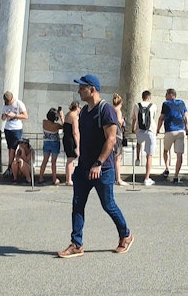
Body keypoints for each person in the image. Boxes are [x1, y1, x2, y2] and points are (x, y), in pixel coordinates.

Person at [58, 74, 133, 258]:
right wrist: (80, 159)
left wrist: (98, 163)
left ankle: (126, 235)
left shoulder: (106, 110)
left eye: (82, 88)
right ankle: (76, 244)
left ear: (92, 89)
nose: (79, 91)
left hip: (102, 169)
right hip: (84, 168)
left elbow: (112, 139)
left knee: (108, 205)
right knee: (77, 204)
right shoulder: (83, 112)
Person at [157, 88, 188, 183]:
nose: (165, 96)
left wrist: (158, 129)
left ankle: (167, 168)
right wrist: (187, 128)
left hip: (170, 130)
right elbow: (185, 116)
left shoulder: (166, 104)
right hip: (181, 130)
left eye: (166, 94)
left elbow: (161, 118)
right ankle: (176, 176)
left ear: (170, 94)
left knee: (166, 150)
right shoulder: (182, 103)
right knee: (179, 154)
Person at [131, 91, 155, 186]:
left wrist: (133, 128)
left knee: (139, 142)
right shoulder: (153, 105)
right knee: (149, 155)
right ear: (149, 97)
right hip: (150, 131)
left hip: (139, 131)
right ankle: (146, 178)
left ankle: (137, 158)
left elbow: (134, 118)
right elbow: (152, 117)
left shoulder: (137, 105)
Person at [1, 91, 28, 173]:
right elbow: (2, 118)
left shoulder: (19, 103)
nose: (8, 103)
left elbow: (26, 116)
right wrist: (5, 116)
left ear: (12, 98)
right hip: (7, 128)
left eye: (9, 101)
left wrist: (14, 115)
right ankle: (12, 167)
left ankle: (11, 167)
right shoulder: (5, 106)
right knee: (10, 148)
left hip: (16, 129)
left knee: (14, 148)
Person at [40, 108, 62, 185]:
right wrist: (61, 116)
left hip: (46, 142)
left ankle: (41, 177)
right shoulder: (56, 125)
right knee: (53, 162)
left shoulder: (44, 122)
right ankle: (54, 178)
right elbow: (63, 125)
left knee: (45, 160)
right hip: (55, 143)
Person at [112, 94, 129, 186]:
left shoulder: (111, 109)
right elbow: (118, 121)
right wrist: (123, 121)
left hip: (112, 135)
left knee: (113, 157)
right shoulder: (118, 111)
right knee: (118, 158)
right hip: (118, 135)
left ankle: (114, 177)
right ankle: (118, 179)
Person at [63, 102, 80, 186]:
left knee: (69, 159)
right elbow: (75, 132)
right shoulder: (74, 116)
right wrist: (78, 145)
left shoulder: (67, 115)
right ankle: (69, 179)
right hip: (71, 139)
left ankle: (68, 178)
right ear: (77, 108)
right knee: (71, 159)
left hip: (66, 138)